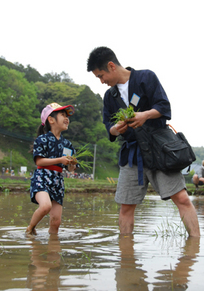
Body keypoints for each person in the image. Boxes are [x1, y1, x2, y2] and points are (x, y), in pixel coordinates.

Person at [87, 46, 200, 237]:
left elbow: (164, 106)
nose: (101, 81)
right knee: (126, 206)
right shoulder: (110, 97)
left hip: (159, 149)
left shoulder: (146, 78)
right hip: (132, 155)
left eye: (100, 76)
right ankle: (126, 259)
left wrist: (145, 115)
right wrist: (115, 129)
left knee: (181, 198)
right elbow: (109, 126)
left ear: (111, 66)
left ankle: (194, 247)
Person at [26, 102, 77, 235]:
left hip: (57, 182)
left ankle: (53, 246)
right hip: (42, 178)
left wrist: (72, 165)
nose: (67, 118)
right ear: (51, 119)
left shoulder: (67, 144)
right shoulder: (42, 140)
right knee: (45, 206)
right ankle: (30, 229)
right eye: (62, 115)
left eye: (67, 116)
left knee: (56, 222)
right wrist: (60, 160)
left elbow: (70, 169)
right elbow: (39, 161)